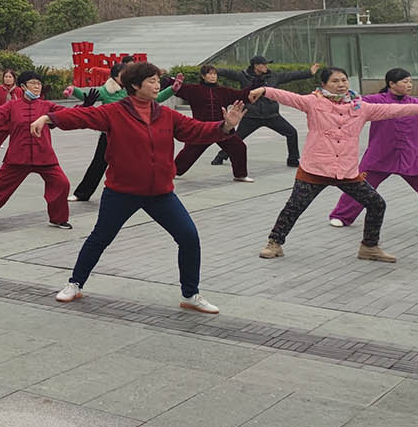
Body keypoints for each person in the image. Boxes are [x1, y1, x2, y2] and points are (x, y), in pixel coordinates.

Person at [31, 61, 244, 313]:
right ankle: (75, 284)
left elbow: (195, 130)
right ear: (135, 85)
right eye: (152, 81)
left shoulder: (165, 114)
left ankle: (190, 295)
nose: (157, 86)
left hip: (160, 194)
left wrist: (226, 126)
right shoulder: (114, 112)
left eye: (157, 81)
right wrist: (49, 118)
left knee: (188, 237)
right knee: (100, 238)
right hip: (122, 192)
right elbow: (82, 116)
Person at [255, 67, 418, 263]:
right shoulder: (313, 102)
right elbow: (289, 97)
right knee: (294, 207)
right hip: (315, 167)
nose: (341, 84)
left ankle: (369, 247)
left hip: (346, 170)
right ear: (324, 84)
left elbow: (391, 109)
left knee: (377, 204)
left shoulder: (361, 107)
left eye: (344, 80)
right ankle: (274, 243)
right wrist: (265, 91)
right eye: (335, 81)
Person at [329, 68, 418, 234]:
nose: (409, 85)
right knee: (359, 186)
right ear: (391, 83)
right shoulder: (376, 100)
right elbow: (352, 104)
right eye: (405, 82)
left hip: (409, 159)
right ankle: (341, 216)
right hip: (379, 158)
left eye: (410, 81)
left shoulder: (417, 104)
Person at [0, 72, 72, 228]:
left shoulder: (46, 106)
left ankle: (58, 219)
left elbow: (66, 114)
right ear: (23, 86)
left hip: (44, 156)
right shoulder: (12, 106)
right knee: (0, 186)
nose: (37, 87)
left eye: (39, 84)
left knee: (62, 183)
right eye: (33, 83)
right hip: (18, 156)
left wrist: (84, 107)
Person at [65, 62, 179, 202]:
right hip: (110, 134)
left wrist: (172, 90)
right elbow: (87, 95)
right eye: (123, 73)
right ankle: (82, 193)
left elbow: (157, 97)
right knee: (98, 164)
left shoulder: (131, 90)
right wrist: (73, 90)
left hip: (133, 134)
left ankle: (138, 191)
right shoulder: (106, 90)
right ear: (115, 76)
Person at [213, 56, 320, 169]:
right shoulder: (243, 76)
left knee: (291, 132)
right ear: (256, 66)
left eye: (266, 64)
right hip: (251, 116)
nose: (266, 66)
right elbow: (228, 73)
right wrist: (211, 70)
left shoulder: (273, 76)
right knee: (237, 139)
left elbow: (291, 75)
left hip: (271, 115)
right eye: (263, 64)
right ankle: (221, 156)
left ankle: (293, 159)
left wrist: (309, 72)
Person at [171, 65, 253, 182]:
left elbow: (241, 95)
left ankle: (240, 175)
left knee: (239, 147)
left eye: (214, 74)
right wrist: (168, 80)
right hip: (201, 129)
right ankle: (172, 172)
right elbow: (176, 88)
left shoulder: (224, 91)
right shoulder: (193, 90)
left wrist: (256, 86)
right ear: (203, 76)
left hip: (222, 128)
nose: (213, 76)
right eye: (209, 74)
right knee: (188, 154)